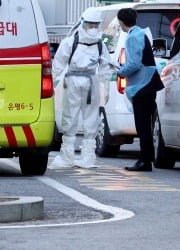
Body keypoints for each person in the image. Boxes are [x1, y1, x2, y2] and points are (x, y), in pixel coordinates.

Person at [49, 8, 113, 169]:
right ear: (82, 23)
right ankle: (67, 156)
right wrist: (53, 83)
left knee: (91, 119)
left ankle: (87, 158)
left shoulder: (99, 44)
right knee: (69, 118)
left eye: (95, 25)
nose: (92, 27)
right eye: (90, 24)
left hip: (91, 81)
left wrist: (106, 87)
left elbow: (106, 66)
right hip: (73, 80)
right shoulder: (71, 42)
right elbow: (58, 64)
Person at [117, 8, 164, 171]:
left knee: (142, 125)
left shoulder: (132, 38)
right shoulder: (141, 34)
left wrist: (120, 71)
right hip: (150, 83)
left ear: (122, 22)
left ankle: (144, 161)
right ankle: (146, 159)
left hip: (142, 85)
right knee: (146, 125)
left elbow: (134, 63)